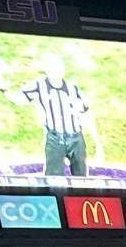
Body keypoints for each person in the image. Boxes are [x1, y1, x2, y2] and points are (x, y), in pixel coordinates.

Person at [6, 52, 92, 181]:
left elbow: (84, 106)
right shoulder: (38, 86)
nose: (57, 70)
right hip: (54, 137)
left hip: (76, 137)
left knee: (81, 177)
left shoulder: (72, 88)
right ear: (47, 69)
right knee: (54, 178)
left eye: (59, 66)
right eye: (53, 67)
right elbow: (20, 98)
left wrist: (80, 107)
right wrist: (5, 90)